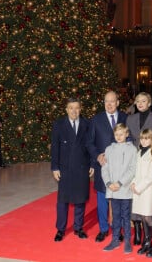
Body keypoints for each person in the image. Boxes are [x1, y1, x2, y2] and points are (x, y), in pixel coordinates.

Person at [126, 92, 152, 246]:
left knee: (148, 200)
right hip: (134, 163)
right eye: (138, 101)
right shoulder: (130, 119)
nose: (140, 103)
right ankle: (137, 233)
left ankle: (148, 236)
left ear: (149, 103)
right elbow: (127, 139)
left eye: (144, 101)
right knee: (135, 198)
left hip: (149, 162)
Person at [51, 97, 94, 241]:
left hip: (82, 167)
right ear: (66, 109)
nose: (74, 111)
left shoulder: (87, 124)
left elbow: (91, 146)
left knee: (80, 199)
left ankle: (78, 227)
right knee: (63, 201)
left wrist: (93, 164)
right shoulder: (59, 125)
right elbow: (55, 147)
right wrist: (55, 167)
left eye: (77, 108)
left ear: (80, 109)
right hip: (65, 168)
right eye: (71, 108)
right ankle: (60, 229)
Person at [87, 91, 128, 242]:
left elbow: (130, 139)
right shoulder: (96, 119)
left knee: (119, 199)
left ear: (118, 102)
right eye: (106, 101)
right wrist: (97, 155)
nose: (109, 104)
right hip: (103, 166)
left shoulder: (125, 117)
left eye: (112, 101)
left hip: (121, 167)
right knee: (102, 199)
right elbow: (89, 142)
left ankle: (118, 229)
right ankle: (103, 229)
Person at [101, 123, 137, 253]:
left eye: (121, 134)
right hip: (113, 190)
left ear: (127, 134)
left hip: (125, 190)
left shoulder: (132, 149)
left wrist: (120, 183)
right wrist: (109, 183)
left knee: (126, 216)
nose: (119, 136)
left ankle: (127, 241)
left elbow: (132, 169)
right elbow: (104, 168)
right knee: (115, 216)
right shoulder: (109, 149)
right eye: (116, 134)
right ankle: (115, 240)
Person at [131, 128, 152, 257]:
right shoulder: (139, 152)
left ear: (151, 139)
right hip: (137, 189)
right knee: (143, 216)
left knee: (149, 217)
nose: (144, 141)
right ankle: (147, 242)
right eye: (142, 138)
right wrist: (133, 183)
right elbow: (136, 171)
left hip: (147, 190)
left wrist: (139, 187)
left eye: (147, 138)